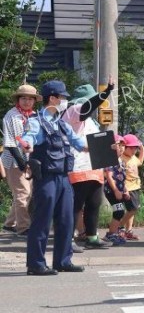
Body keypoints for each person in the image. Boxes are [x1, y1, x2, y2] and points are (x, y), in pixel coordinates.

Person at [20, 80, 87, 275]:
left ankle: (63, 261)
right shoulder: (35, 121)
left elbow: (79, 143)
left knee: (66, 220)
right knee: (42, 220)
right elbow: (29, 138)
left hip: (64, 178)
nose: (65, 100)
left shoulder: (62, 124)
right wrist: (27, 146)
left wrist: (106, 148)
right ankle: (36, 264)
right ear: (53, 98)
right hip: (47, 178)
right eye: (63, 97)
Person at [62, 80, 114, 250]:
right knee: (75, 207)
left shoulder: (91, 121)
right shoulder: (72, 112)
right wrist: (106, 92)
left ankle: (92, 236)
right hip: (76, 168)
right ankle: (67, 240)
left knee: (94, 204)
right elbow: (87, 108)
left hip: (94, 168)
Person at [2, 84, 41, 237]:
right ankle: (23, 227)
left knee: (26, 193)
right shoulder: (11, 116)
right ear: (18, 99)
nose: (27, 102)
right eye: (23, 98)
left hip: (31, 159)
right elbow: (10, 143)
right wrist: (22, 163)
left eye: (30, 99)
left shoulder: (35, 116)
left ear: (34, 101)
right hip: (13, 160)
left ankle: (9, 224)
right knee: (23, 193)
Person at [102, 134, 128, 246]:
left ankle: (113, 232)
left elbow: (122, 177)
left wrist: (125, 190)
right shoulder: (110, 159)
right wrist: (116, 190)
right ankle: (110, 234)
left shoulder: (121, 160)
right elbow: (109, 175)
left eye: (123, 145)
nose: (122, 148)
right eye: (119, 145)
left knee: (120, 211)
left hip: (119, 190)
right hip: (111, 190)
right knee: (119, 211)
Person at [120, 133, 144, 240]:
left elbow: (140, 162)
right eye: (131, 148)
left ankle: (128, 230)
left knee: (131, 210)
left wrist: (142, 149)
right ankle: (119, 227)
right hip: (128, 187)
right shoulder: (122, 159)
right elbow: (120, 176)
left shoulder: (133, 157)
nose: (134, 150)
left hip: (135, 186)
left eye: (136, 148)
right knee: (133, 209)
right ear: (124, 147)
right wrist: (124, 188)